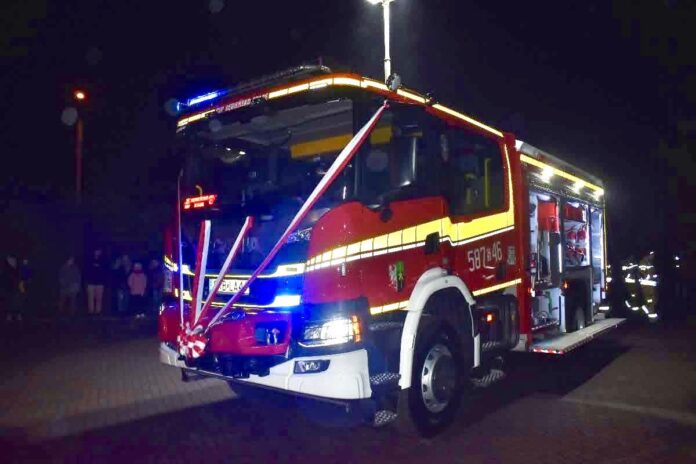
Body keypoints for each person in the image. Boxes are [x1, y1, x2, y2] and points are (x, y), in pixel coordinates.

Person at [85, 248, 107, 315]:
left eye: (99, 251)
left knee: (99, 298)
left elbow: (104, 271)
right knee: (90, 298)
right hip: (91, 282)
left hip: (100, 282)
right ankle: (91, 311)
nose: (98, 252)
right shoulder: (89, 260)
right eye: (97, 251)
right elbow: (87, 270)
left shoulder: (103, 260)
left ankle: (98, 311)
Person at [2, 255, 21, 322]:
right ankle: (10, 316)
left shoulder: (17, 270)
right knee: (10, 302)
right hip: (10, 290)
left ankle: (16, 316)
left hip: (16, 290)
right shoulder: (6, 271)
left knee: (16, 301)